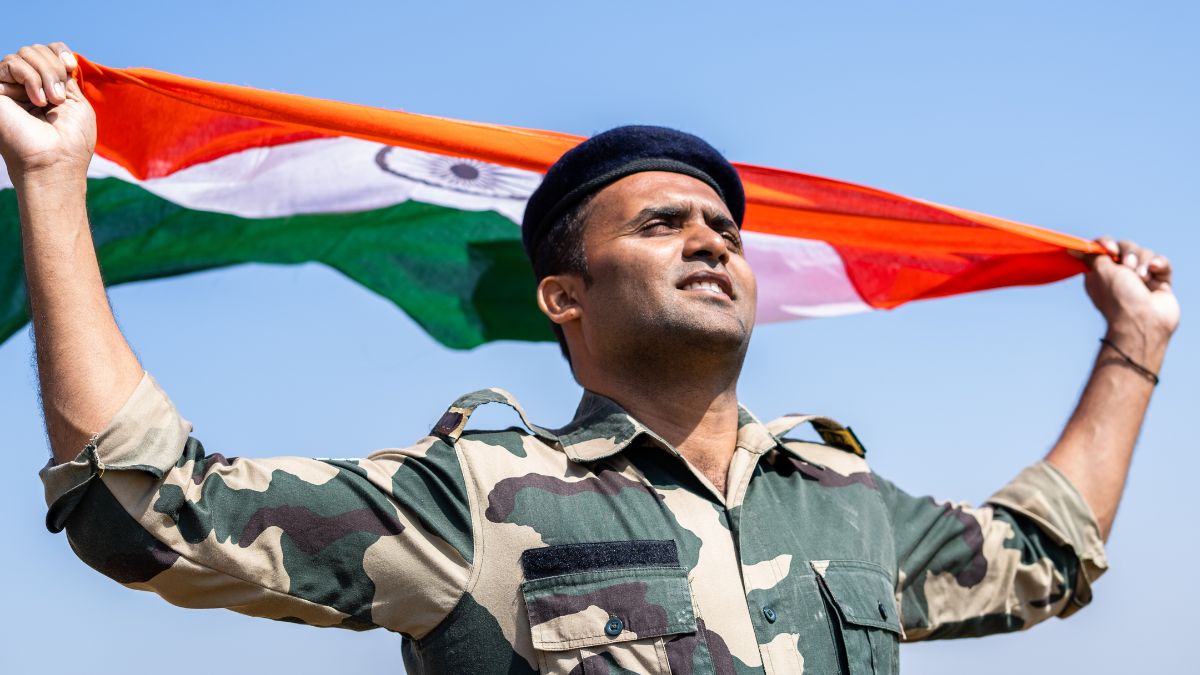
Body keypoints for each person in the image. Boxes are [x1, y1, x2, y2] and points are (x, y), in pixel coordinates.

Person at [2, 42, 1179, 675]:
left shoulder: (845, 506)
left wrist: (1132, 346)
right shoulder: (475, 497)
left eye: (723, 227)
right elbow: (150, 508)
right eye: (661, 225)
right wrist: (55, 185)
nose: (710, 240)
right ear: (563, 296)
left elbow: (1041, 557)